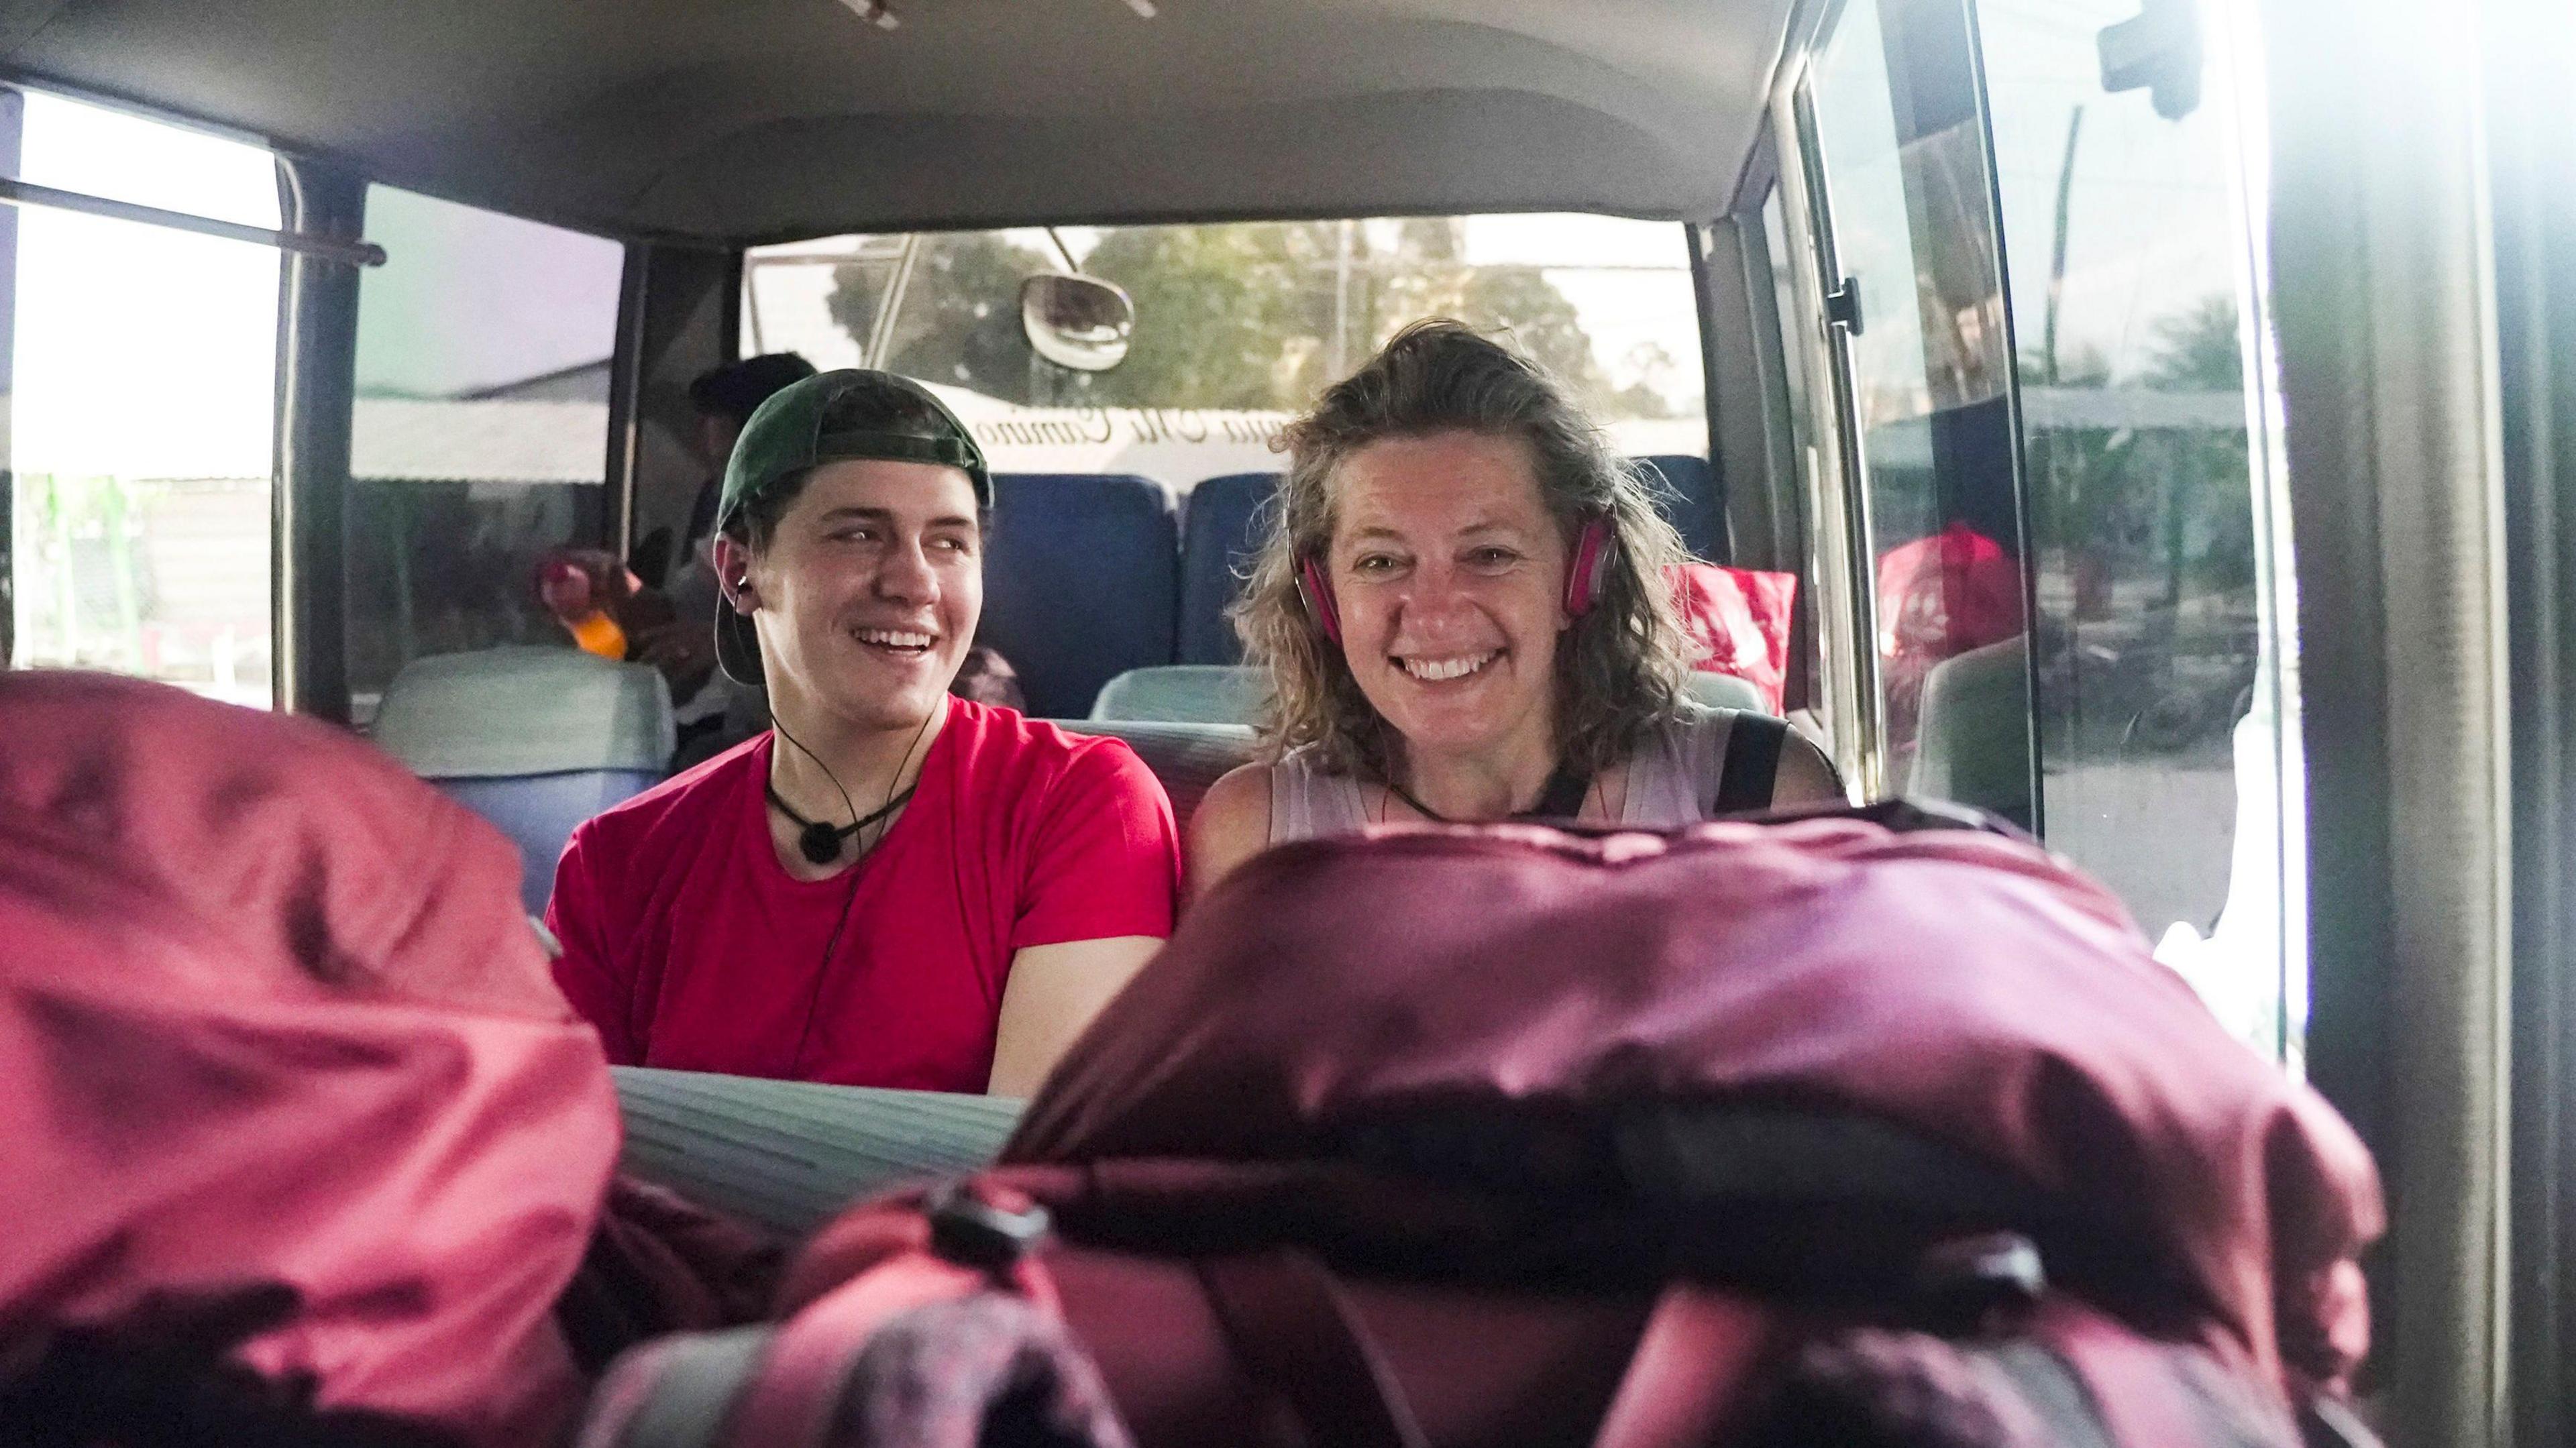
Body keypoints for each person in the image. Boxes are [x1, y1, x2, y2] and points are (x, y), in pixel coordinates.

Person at [547, 369, 1182, 1096]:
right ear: (740, 568)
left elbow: (1031, 1174)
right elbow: (567, 1172)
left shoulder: (1077, 802)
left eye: (949, 543)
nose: (914, 582)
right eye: (858, 533)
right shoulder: (617, 862)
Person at [1188, 320, 1843, 897]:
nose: (1435, 614)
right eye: (1382, 562)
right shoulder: (1259, 837)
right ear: (1324, 598)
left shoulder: (1759, 793)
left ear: (1584, 571)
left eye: (1490, 555)